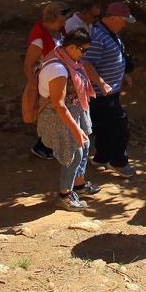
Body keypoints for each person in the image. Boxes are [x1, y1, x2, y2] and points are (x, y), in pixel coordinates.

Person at [36, 29, 98, 210]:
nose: (84, 55)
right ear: (72, 46)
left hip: (75, 111)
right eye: (83, 50)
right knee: (73, 154)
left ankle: (79, 184)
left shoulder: (65, 56)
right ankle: (65, 195)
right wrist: (75, 129)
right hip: (59, 117)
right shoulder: (59, 69)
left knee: (84, 147)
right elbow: (58, 104)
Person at [83, 1, 136, 178]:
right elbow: (87, 63)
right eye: (123, 21)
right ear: (112, 18)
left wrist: (123, 75)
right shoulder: (98, 36)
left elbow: (111, 58)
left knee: (105, 127)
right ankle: (118, 162)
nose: (124, 24)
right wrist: (101, 82)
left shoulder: (110, 33)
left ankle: (102, 157)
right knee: (120, 126)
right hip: (101, 94)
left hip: (109, 92)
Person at [24, 1, 70, 161]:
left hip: (57, 76)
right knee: (49, 114)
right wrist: (33, 87)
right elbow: (29, 65)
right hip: (45, 82)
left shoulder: (58, 30)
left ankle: (51, 145)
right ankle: (42, 146)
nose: (64, 24)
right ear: (52, 19)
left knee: (57, 114)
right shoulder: (39, 39)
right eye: (61, 21)